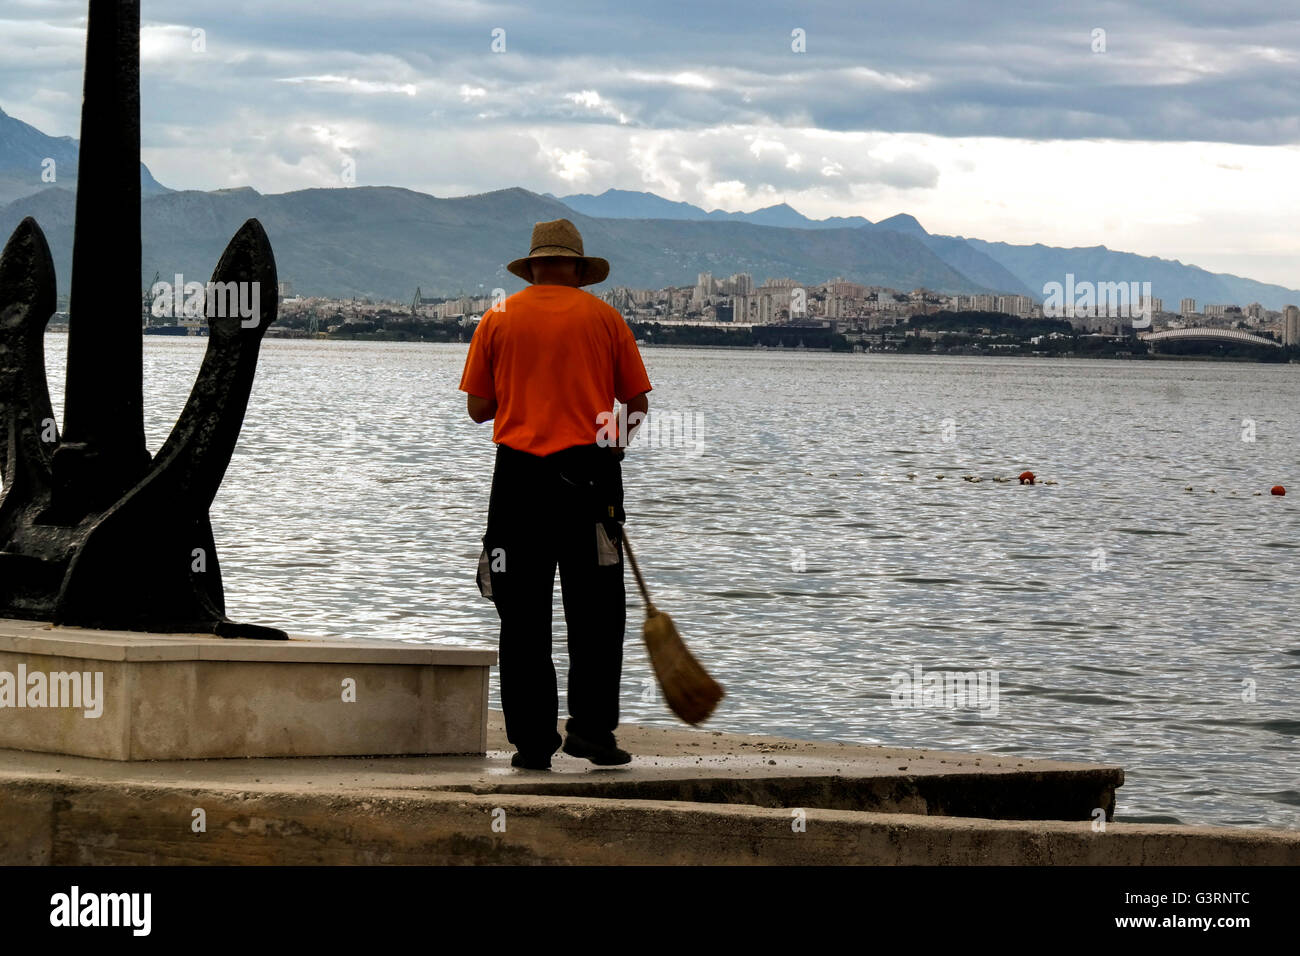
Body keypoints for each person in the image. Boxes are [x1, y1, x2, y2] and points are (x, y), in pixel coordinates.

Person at [459, 217, 652, 771]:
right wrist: (608, 445)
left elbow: (477, 409)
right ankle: (592, 732)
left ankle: (532, 743)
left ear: (533, 266)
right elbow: (636, 401)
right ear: (577, 269)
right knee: (596, 612)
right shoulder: (605, 317)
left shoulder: (498, 316)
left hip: (518, 482)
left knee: (520, 614)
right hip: (589, 480)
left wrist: (522, 397)